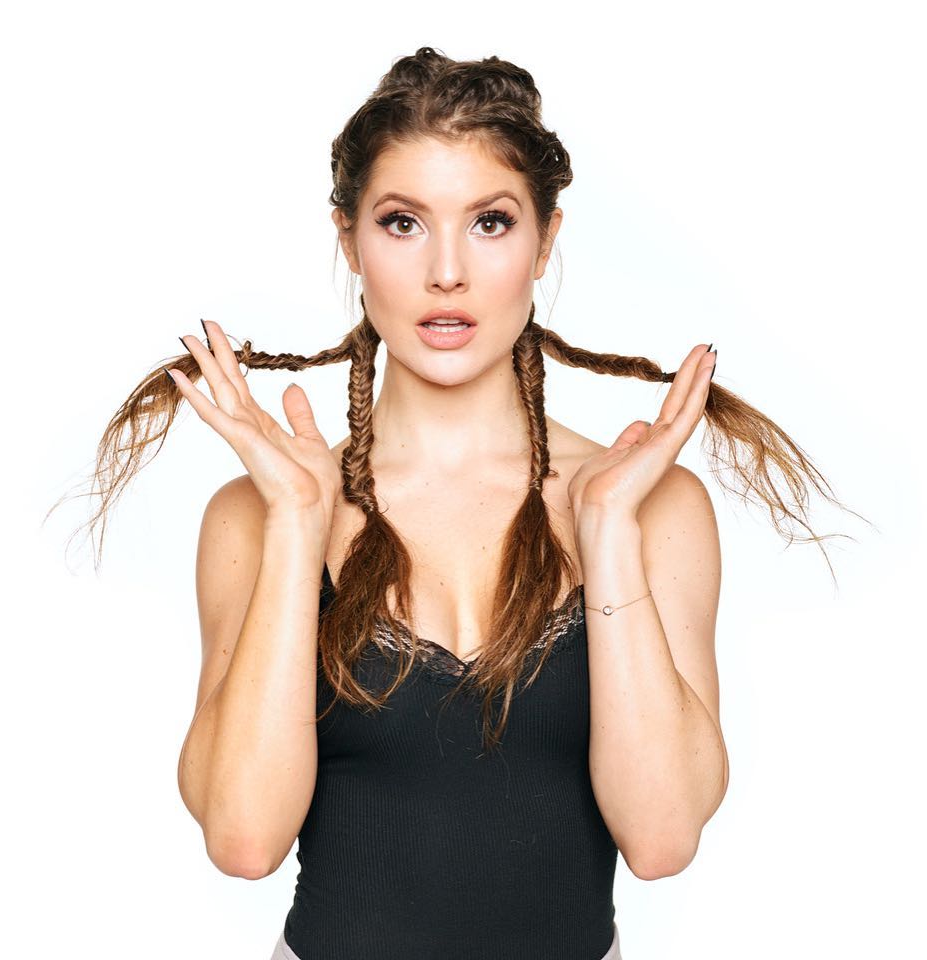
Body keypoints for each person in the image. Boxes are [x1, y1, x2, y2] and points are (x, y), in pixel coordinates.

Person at [70, 46, 860, 960]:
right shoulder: (257, 515)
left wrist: (606, 530)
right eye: (402, 223)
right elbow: (244, 842)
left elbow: (662, 838)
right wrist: (296, 526)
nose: (447, 271)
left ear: (545, 241)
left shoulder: (652, 507)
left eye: (490, 222)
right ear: (349, 241)